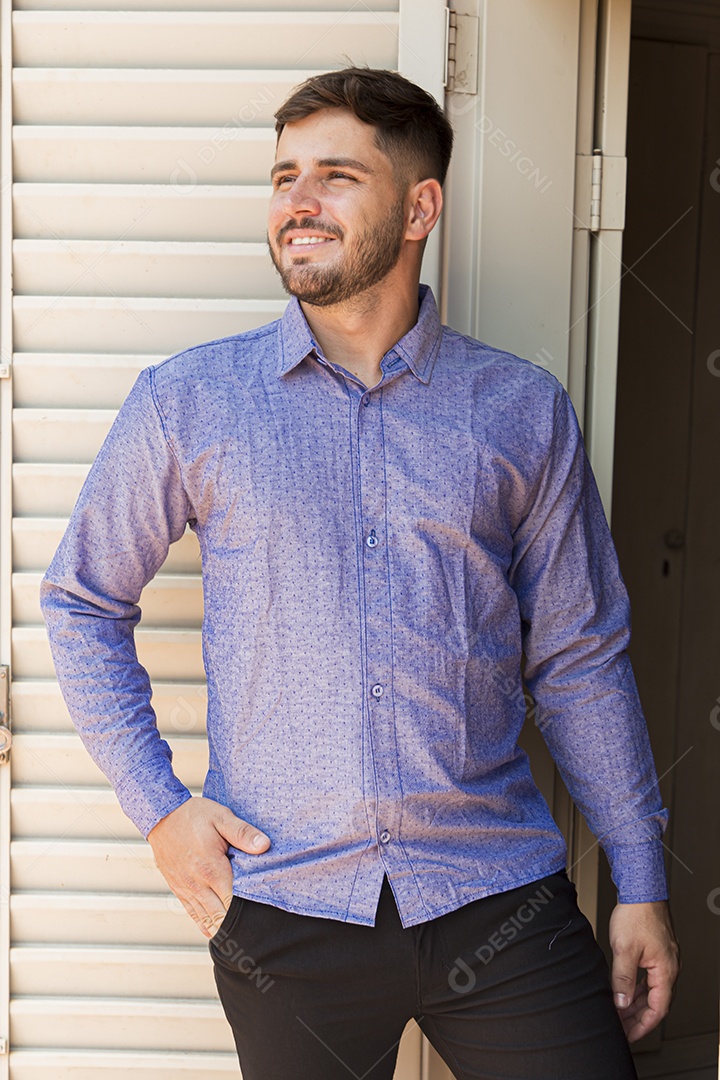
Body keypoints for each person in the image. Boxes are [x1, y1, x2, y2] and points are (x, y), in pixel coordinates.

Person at [41, 67, 679, 1079]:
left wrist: (641, 879)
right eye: (284, 174)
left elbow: (579, 657)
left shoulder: (520, 410)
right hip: (287, 912)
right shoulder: (189, 402)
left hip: (498, 901)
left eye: (336, 175)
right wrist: (162, 811)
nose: (298, 201)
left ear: (420, 206)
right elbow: (80, 602)